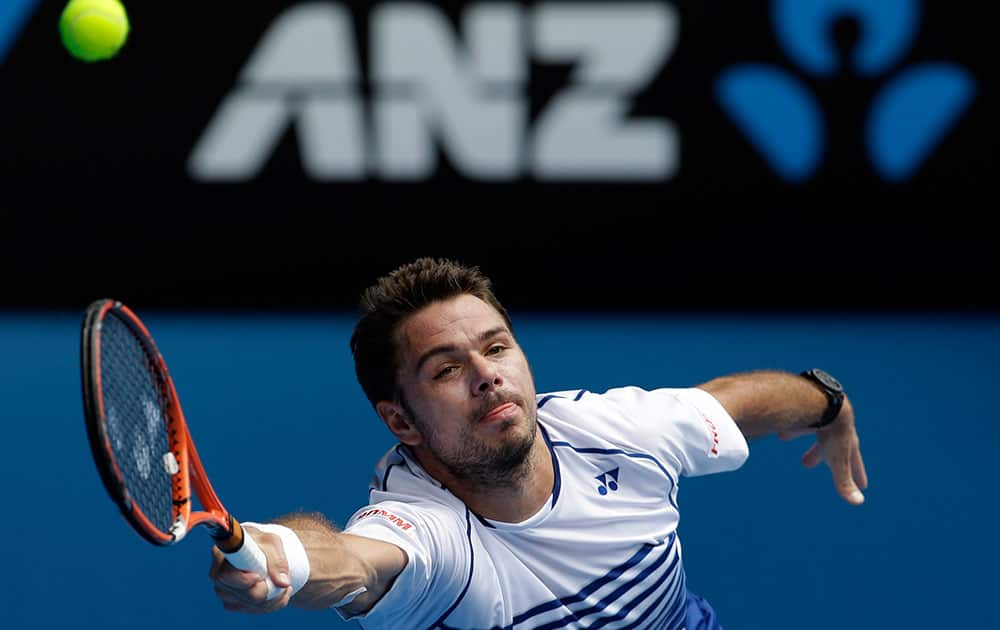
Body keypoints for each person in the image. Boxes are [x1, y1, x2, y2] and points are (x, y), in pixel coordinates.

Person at [209, 257, 867, 629]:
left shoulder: (619, 433)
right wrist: (282, 554)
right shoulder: (431, 535)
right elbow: (354, 559)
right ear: (402, 423)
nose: (486, 374)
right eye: (445, 369)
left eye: (496, 347)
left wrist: (825, 400)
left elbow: (730, 401)